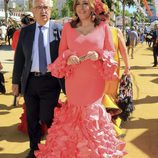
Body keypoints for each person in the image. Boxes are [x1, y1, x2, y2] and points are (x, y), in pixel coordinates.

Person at [35, 0, 126, 157]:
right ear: (74, 7)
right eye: (78, 4)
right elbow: (62, 53)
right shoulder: (68, 28)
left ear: (92, 7)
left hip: (94, 81)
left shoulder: (102, 27)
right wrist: (69, 57)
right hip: (74, 80)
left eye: (85, 3)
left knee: (91, 114)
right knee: (74, 114)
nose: (81, 7)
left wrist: (99, 54)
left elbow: (111, 52)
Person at [12, 0, 63, 157]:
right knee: (32, 117)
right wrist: (15, 81)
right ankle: (34, 149)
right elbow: (19, 58)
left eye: (46, 7)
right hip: (30, 82)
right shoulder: (25, 32)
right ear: (33, 11)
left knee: (48, 116)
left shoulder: (59, 29)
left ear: (51, 10)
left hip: (51, 81)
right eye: (39, 7)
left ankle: (52, 147)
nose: (43, 11)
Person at [99, 3, 130, 137]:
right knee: (98, 98)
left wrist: (127, 67)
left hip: (112, 72)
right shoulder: (92, 31)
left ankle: (111, 127)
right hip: (96, 72)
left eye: (106, 14)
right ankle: (99, 126)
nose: (104, 17)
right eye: (100, 14)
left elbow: (123, 50)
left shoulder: (115, 31)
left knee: (110, 97)